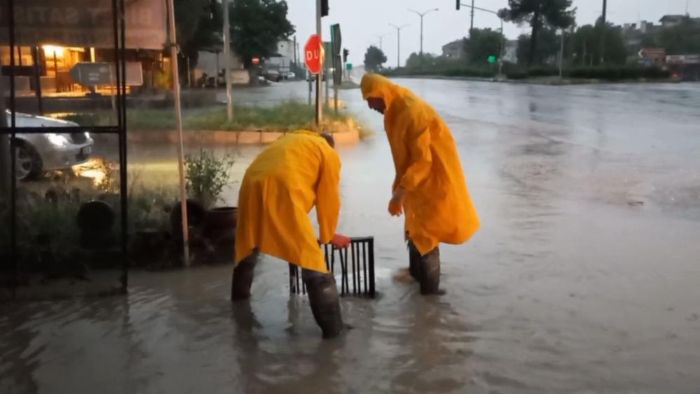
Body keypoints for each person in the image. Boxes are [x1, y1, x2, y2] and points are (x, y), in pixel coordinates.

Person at [360, 73, 480, 295]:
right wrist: (401, 187)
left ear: (381, 93)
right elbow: (404, 157)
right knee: (415, 231)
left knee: (427, 236)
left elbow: (422, 161)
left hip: (432, 181)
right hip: (416, 183)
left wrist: (401, 192)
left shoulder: (413, 112)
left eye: (370, 100)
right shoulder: (394, 112)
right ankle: (416, 283)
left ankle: (430, 301)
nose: (369, 106)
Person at [231, 130, 351, 338]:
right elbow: (329, 200)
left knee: (248, 250)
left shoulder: (291, 141)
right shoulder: (327, 153)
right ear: (330, 144)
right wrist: (329, 236)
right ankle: (335, 333)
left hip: (251, 185)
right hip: (282, 188)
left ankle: (239, 311)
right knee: (313, 263)